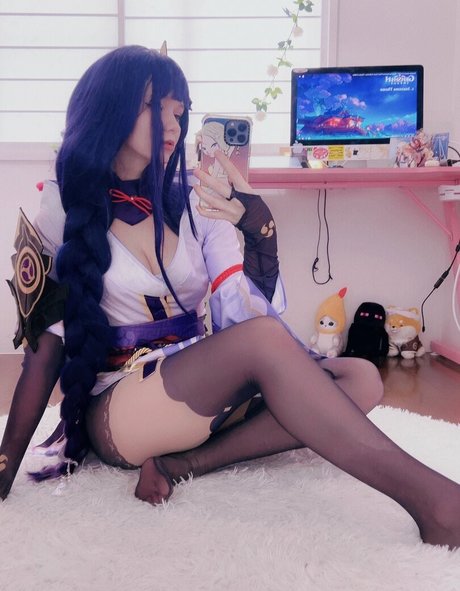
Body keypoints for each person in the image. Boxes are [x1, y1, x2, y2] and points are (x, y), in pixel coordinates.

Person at [1, 45, 460, 550]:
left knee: (361, 378)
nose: (173, 124)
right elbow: (44, 352)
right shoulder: (63, 202)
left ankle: (184, 463)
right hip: (120, 411)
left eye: (179, 111)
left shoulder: (195, 200)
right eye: (156, 106)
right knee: (265, 344)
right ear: (110, 107)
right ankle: (438, 505)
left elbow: (238, 314)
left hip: (197, 388)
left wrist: (260, 232)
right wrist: (4, 466)